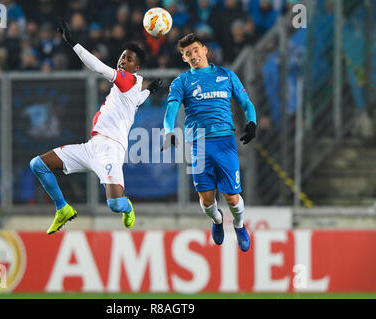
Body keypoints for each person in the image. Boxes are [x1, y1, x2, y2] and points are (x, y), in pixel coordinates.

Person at [30, 17, 162, 234]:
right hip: (91, 146)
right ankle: (62, 208)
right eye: (122, 57)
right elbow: (136, 101)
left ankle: (127, 205)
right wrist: (150, 91)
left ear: (136, 67)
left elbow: (98, 67)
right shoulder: (131, 88)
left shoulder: (128, 80)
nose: (122, 61)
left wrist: (73, 42)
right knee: (38, 164)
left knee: (115, 205)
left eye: (128, 60)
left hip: (111, 151)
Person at [162, 33, 256, 250]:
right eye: (188, 54)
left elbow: (246, 103)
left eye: (195, 50)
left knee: (232, 198)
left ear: (204, 50)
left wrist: (252, 123)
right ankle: (217, 220)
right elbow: (171, 109)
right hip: (198, 145)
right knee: (206, 201)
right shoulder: (182, 82)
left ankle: (240, 224)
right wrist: (168, 130)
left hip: (225, 142)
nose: (193, 55)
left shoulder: (226, 75)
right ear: (184, 59)